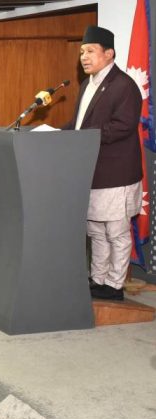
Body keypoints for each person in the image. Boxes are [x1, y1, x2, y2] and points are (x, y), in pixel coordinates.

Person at [63, 25, 144, 301]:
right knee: (96, 230)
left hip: (116, 173)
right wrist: (54, 134)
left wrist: (84, 137)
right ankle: (98, 279)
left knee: (116, 232)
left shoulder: (124, 86)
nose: (84, 57)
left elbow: (123, 126)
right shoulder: (87, 84)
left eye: (90, 51)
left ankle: (114, 284)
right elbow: (78, 124)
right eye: (81, 52)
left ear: (109, 54)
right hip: (91, 172)